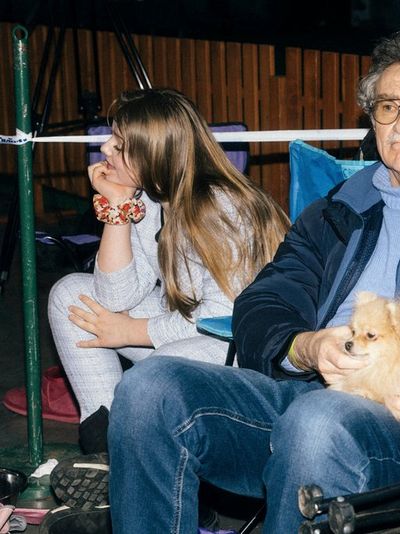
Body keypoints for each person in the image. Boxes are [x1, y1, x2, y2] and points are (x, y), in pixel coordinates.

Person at [107, 29, 400, 533]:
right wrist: (305, 346)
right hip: (304, 396)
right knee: (148, 389)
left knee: (316, 424)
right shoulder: (339, 208)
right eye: (387, 107)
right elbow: (263, 301)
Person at [47, 88, 290, 453]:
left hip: (245, 348)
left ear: (154, 152)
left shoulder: (220, 209)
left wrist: (132, 330)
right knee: (71, 295)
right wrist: (118, 206)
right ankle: (103, 440)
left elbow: (225, 314)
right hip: (191, 326)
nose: (106, 149)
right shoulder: (152, 195)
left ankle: (157, 470)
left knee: (157, 374)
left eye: (120, 143)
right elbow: (116, 297)